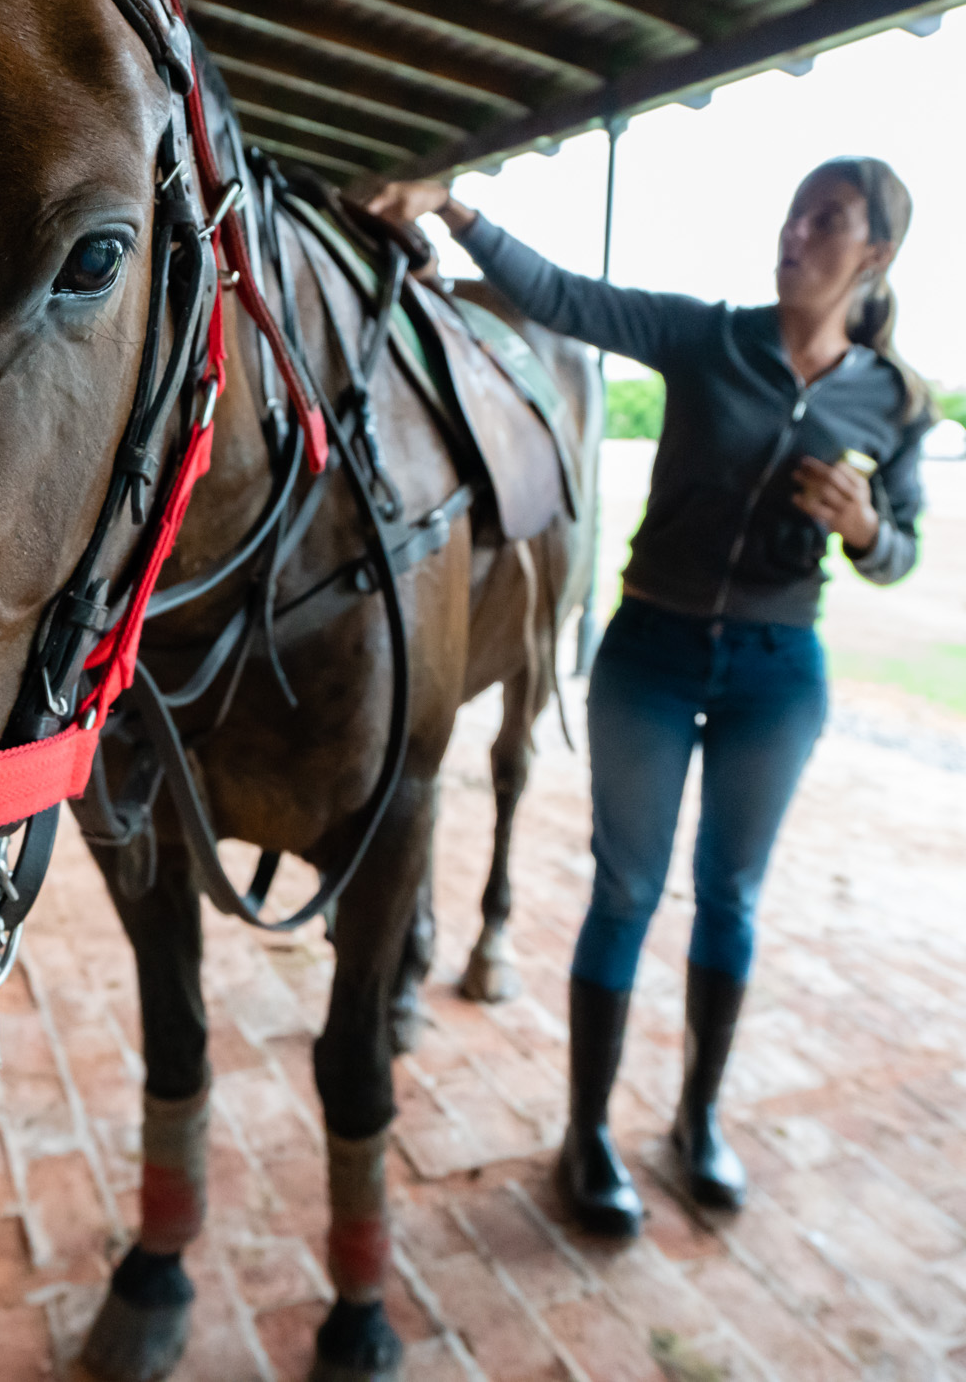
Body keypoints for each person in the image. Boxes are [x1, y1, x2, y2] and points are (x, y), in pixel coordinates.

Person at [364, 159, 931, 1238]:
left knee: (730, 898)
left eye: (825, 219)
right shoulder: (705, 335)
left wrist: (866, 530)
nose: (794, 229)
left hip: (778, 669)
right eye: (793, 207)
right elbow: (564, 296)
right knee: (624, 891)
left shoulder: (893, 400)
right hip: (652, 652)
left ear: (874, 255)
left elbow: (900, 550)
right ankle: (586, 1135)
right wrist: (456, 206)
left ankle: (696, 1119)